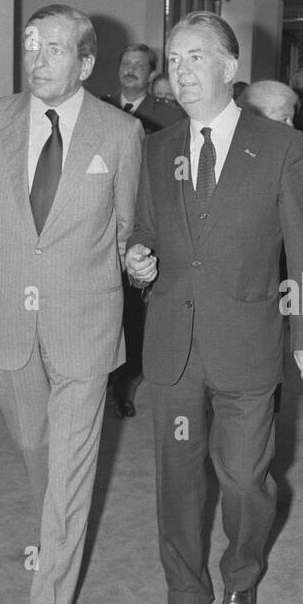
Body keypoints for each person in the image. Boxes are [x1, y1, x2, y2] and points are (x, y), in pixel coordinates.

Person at [126, 11, 303, 604]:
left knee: (244, 479)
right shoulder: (156, 147)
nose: (180, 72)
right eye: (174, 59)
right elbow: (147, 232)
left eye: (194, 57)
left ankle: (243, 574)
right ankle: (185, 589)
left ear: (229, 68)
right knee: (178, 478)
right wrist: (137, 262)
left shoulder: (279, 146)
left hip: (247, 345)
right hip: (173, 347)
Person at [0, 3, 143, 604]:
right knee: (33, 449)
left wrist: (124, 266)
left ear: (87, 62)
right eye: (32, 44)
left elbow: (125, 227)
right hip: (10, 316)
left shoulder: (122, 134)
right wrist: (20, 270)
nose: (39, 58)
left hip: (85, 325)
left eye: (57, 48)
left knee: (70, 471)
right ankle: (52, 528)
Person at [102, 43, 186, 419]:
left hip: (143, 225)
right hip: (100, 224)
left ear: (152, 74)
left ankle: (123, 385)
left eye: (140, 65)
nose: (131, 69)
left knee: (133, 313)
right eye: (126, 62)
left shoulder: (168, 116)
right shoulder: (97, 110)